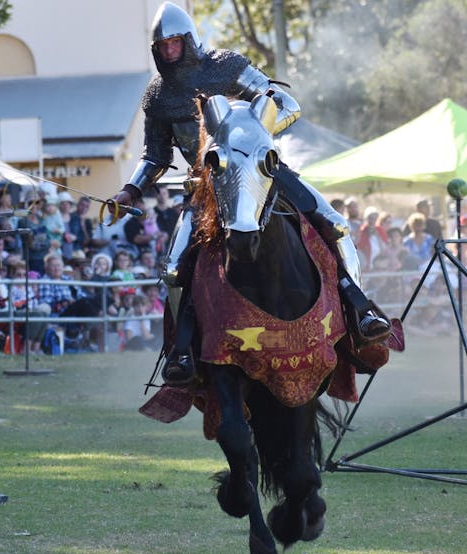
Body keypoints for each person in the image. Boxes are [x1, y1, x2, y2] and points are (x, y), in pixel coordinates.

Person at [108, 1, 389, 385]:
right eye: (163, 46)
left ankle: (360, 312)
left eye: (175, 42)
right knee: (174, 269)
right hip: (206, 186)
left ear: (188, 40)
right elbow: (155, 155)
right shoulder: (157, 95)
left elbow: (287, 105)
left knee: (336, 225)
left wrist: (255, 134)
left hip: (260, 170)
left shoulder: (225, 65)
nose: (170, 50)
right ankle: (183, 351)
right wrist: (130, 190)